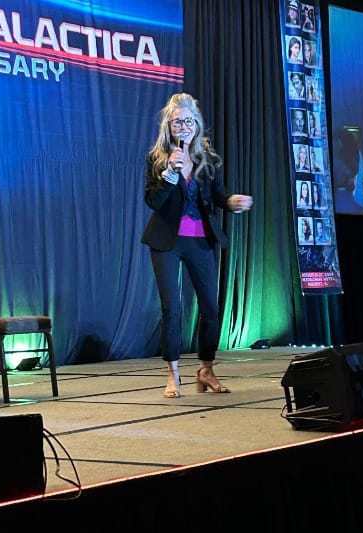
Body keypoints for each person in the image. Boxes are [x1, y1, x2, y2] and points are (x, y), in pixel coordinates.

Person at [141, 93, 253, 398]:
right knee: (172, 309)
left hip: (200, 239)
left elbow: (218, 196)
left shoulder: (207, 159)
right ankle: (172, 374)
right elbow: (153, 201)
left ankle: (206, 370)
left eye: (189, 121)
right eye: (178, 121)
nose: (184, 127)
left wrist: (232, 202)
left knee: (211, 308)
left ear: (197, 124)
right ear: (169, 126)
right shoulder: (158, 159)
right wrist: (170, 174)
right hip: (166, 241)